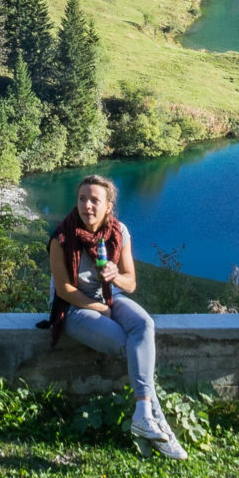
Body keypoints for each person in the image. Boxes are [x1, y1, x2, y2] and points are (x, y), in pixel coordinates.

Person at [47, 174, 186, 461]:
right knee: (128, 345)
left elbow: (131, 282)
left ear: (108, 206)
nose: (87, 205)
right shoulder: (61, 237)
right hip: (73, 307)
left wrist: (115, 275)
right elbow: (64, 289)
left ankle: (143, 414)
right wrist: (100, 309)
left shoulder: (119, 232)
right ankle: (161, 430)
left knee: (144, 325)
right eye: (82, 199)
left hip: (111, 296)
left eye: (95, 200)